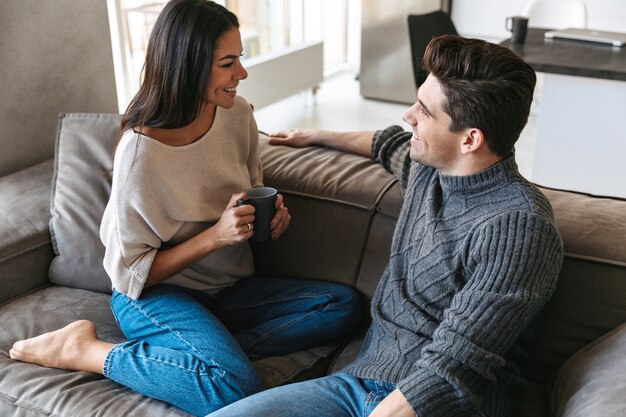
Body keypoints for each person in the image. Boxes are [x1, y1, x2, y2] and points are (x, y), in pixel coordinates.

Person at [8, 1, 360, 416]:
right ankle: (86, 350)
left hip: (225, 290)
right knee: (232, 388)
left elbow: (251, 191)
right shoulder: (141, 155)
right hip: (153, 296)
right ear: (189, 67)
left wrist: (268, 217)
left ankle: (200, 352)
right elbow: (127, 275)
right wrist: (216, 237)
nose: (241, 74)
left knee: (344, 307)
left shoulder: (238, 114)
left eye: (240, 58)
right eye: (228, 63)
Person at [207, 34, 564, 417]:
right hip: (356, 384)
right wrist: (315, 135)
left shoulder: (519, 229)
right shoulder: (430, 172)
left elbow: (452, 367)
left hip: (438, 405)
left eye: (425, 112)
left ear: (470, 139)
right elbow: (387, 142)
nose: (409, 116)